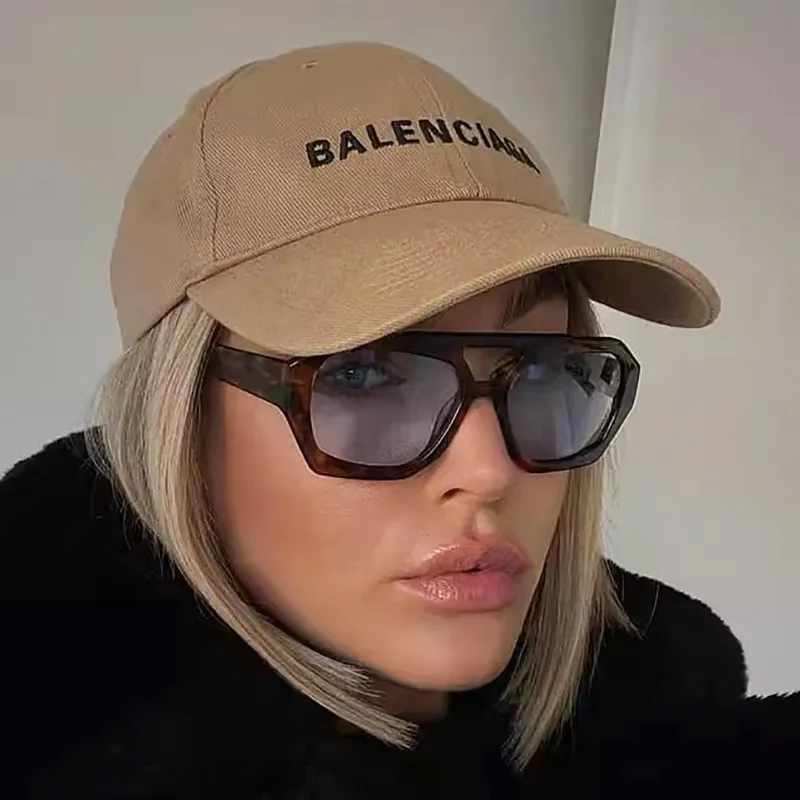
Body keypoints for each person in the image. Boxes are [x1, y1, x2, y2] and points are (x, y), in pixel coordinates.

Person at [3, 41, 798, 799]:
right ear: (177, 419)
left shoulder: (681, 743)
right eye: (363, 374)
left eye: (543, 365)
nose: (489, 470)